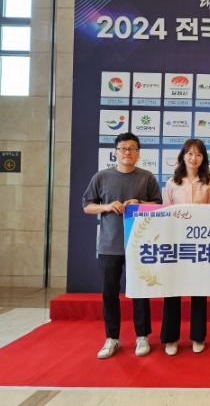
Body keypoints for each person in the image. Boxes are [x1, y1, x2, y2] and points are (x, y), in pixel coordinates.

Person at [82, 132, 162, 359]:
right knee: (109, 293)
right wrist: (107, 207)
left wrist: (139, 203)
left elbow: (158, 205)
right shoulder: (101, 177)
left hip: (139, 245)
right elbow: (87, 206)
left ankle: (142, 336)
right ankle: (112, 338)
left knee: (140, 292)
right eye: (123, 148)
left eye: (132, 148)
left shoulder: (146, 177)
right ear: (116, 152)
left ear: (138, 153)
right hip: (109, 245)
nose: (127, 152)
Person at [161, 138, 210, 356]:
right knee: (172, 291)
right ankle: (170, 338)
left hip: (199, 245)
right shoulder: (171, 183)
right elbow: (165, 214)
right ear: (183, 156)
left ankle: (198, 336)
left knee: (198, 291)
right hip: (175, 244)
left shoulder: (209, 183)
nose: (194, 158)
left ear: (203, 159)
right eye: (190, 153)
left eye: (199, 154)